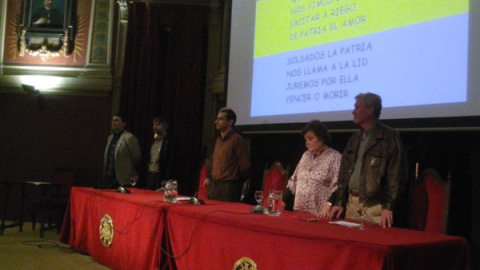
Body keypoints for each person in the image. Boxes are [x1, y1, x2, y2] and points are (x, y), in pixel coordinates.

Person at [328, 93, 407, 228]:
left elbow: (396, 174)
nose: (353, 111)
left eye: (357, 107)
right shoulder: (355, 138)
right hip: (352, 204)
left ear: (370, 110)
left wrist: (389, 206)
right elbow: (344, 173)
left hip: (375, 206)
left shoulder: (389, 137)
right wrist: (339, 201)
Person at [282, 120, 341, 218]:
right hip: (299, 212)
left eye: (310, 139)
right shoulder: (305, 155)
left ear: (321, 138)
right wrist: (283, 201)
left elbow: (338, 185)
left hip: (318, 214)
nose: (307, 143)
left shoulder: (335, 157)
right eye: (306, 140)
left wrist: (329, 204)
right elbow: (293, 180)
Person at [205, 107, 251, 202]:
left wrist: (237, 183)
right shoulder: (217, 140)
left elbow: (245, 166)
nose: (216, 122)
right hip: (214, 186)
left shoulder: (237, 140)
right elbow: (212, 161)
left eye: (220, 119)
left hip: (229, 188)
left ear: (230, 122)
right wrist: (209, 177)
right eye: (217, 119)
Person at [101, 113, 142, 189]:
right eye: (112, 120)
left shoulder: (129, 138)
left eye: (116, 120)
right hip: (109, 176)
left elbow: (137, 157)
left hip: (123, 178)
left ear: (124, 123)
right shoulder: (110, 138)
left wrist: (131, 173)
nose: (113, 122)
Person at [145, 117, 176, 190]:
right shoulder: (153, 141)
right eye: (154, 124)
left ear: (164, 127)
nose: (154, 127)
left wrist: (167, 178)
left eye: (157, 125)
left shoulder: (170, 141)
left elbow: (171, 161)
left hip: (161, 176)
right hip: (151, 174)